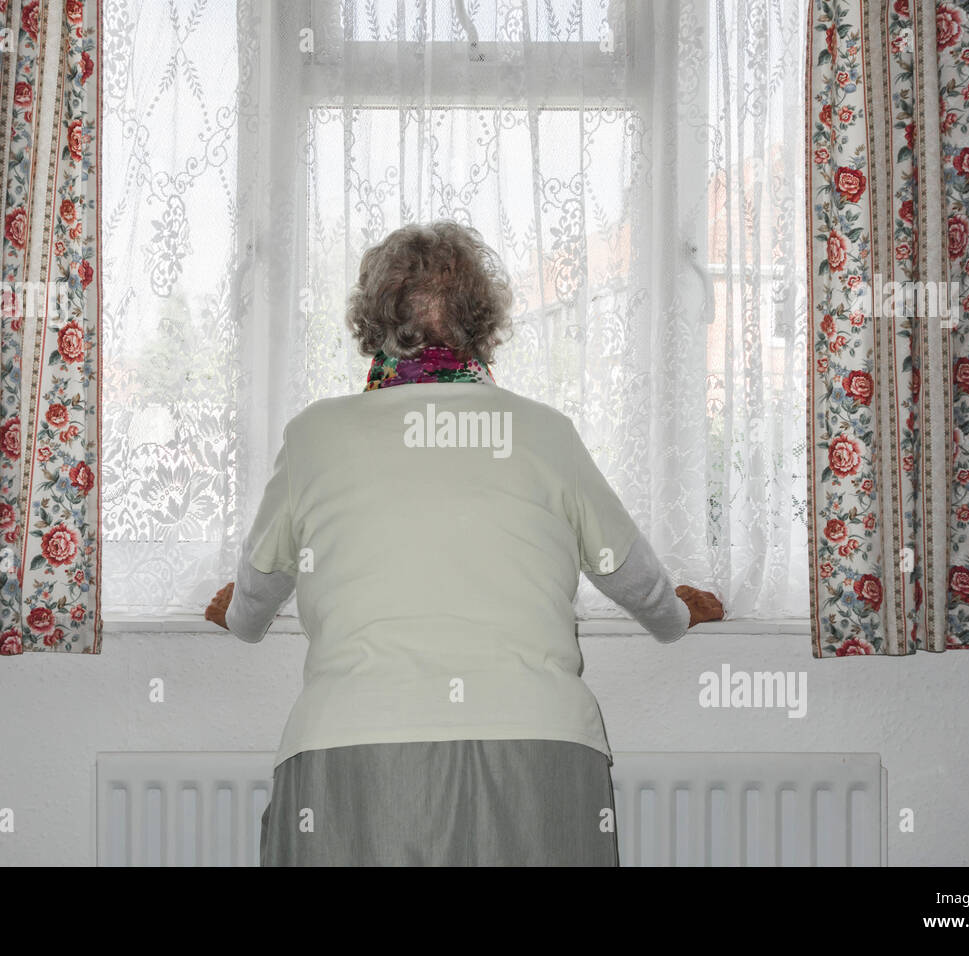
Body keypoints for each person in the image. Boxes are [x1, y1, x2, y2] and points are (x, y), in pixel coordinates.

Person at [205, 220, 723, 865]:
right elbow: (626, 569)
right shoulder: (544, 433)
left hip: (355, 743)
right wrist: (674, 618)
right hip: (538, 745)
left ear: (373, 318)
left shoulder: (317, 435)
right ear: (483, 321)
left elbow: (260, 586)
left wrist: (239, 618)